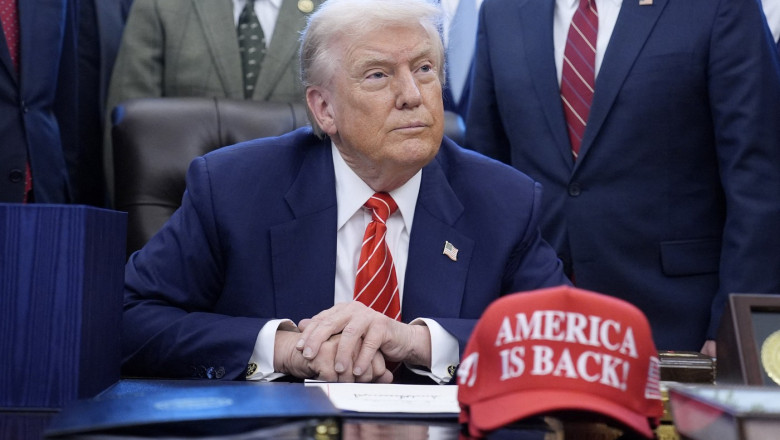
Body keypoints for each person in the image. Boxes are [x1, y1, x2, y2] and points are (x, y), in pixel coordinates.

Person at [122, 0, 569, 384]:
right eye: (378, 75)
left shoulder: (502, 201)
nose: (412, 95)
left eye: (424, 68)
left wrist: (418, 341)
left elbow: (566, 341)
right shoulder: (233, 189)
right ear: (324, 108)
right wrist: (284, 350)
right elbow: (129, 319)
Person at [465, 0, 780, 356]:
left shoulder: (718, 6)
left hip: (678, 330)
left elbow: (757, 180)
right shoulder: (501, 10)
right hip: (536, 332)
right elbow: (486, 173)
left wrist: (734, 327)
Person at [103, 0, 323, 204]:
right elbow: (128, 135)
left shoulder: (335, 10)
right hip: (182, 216)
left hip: (300, 212)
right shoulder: (161, 5)